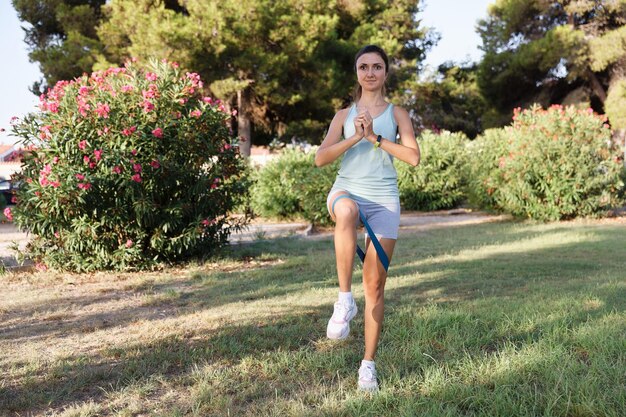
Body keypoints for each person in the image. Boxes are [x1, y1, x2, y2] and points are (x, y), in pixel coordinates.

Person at [314, 45, 420, 392]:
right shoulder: (343, 115)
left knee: (375, 286)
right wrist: (355, 137)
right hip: (347, 189)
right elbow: (321, 158)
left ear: (385, 72)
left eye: (377, 66)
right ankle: (344, 299)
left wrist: (375, 138)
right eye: (364, 66)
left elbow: (413, 157)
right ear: (356, 73)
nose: (370, 72)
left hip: (384, 200)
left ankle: (367, 365)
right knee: (346, 210)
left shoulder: (398, 114)